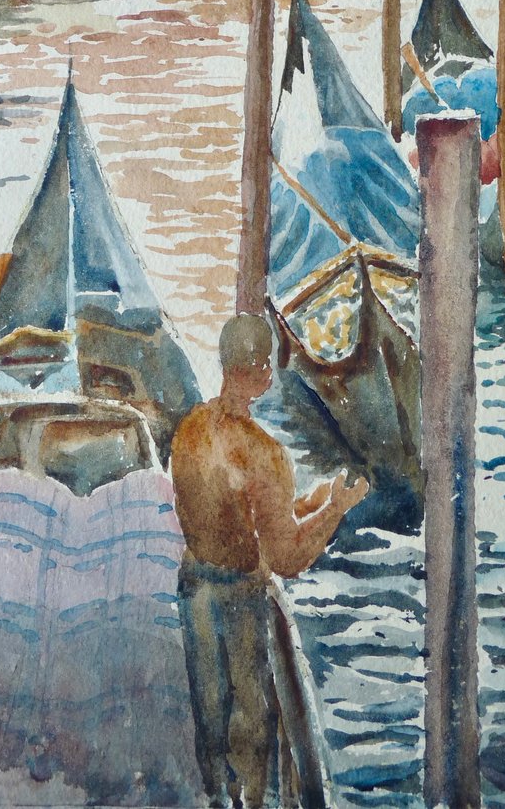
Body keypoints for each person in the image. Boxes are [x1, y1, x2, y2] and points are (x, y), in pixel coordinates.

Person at [171, 313, 368, 808]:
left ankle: (215, 798)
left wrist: (307, 503)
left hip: (194, 585)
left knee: (209, 712)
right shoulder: (266, 454)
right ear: (262, 372)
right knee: (250, 723)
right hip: (239, 596)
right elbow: (286, 557)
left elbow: (232, 513)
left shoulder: (189, 431)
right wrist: (335, 510)